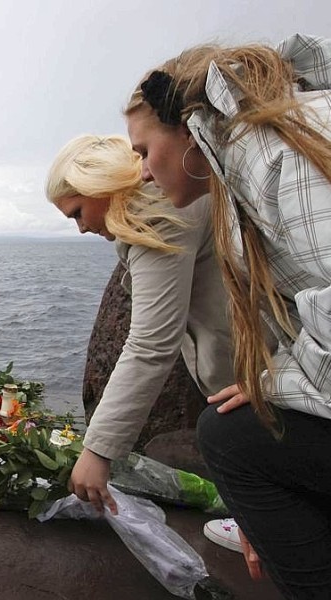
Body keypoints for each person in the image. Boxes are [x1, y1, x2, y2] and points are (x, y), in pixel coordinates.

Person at [124, 33, 331, 597]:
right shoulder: (259, 148)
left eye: (143, 150)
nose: (141, 171)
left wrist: (278, 384)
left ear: (185, 125)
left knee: (232, 438)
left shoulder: (277, 160)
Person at [45, 135, 235, 514]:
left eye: (78, 212)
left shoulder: (154, 212)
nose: (81, 228)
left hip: (255, 373)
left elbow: (152, 344)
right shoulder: (170, 196)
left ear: (99, 185)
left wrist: (98, 450)